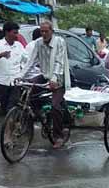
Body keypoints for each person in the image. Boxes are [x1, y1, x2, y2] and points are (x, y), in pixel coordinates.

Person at [20, 20, 71, 148]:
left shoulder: (59, 42)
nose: (43, 34)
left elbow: (59, 62)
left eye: (46, 31)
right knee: (28, 90)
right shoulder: (38, 43)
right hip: (44, 75)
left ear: (51, 31)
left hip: (58, 78)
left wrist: (54, 79)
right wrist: (20, 76)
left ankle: (58, 135)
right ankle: (41, 115)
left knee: (55, 106)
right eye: (42, 31)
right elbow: (31, 61)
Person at [0, 22, 26, 114]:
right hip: (2, 82)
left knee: (12, 106)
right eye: (14, 33)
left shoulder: (19, 46)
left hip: (16, 82)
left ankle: (11, 126)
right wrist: (2, 55)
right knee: (4, 107)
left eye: (17, 33)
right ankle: (9, 125)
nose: (16, 35)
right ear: (7, 32)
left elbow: (26, 59)